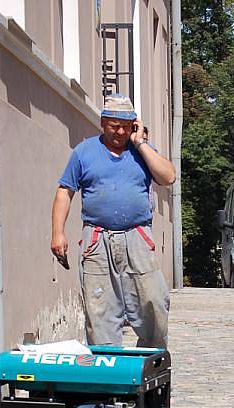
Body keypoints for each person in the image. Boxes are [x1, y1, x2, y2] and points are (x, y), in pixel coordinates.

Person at [50, 94, 176, 348]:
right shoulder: (84, 152)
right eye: (114, 125)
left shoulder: (142, 151)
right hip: (97, 241)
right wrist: (58, 233)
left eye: (126, 126)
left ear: (134, 125)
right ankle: (108, 373)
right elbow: (65, 191)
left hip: (137, 238)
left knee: (153, 301)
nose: (120, 131)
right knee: (100, 312)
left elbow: (168, 177)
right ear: (103, 122)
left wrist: (140, 144)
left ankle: (150, 365)